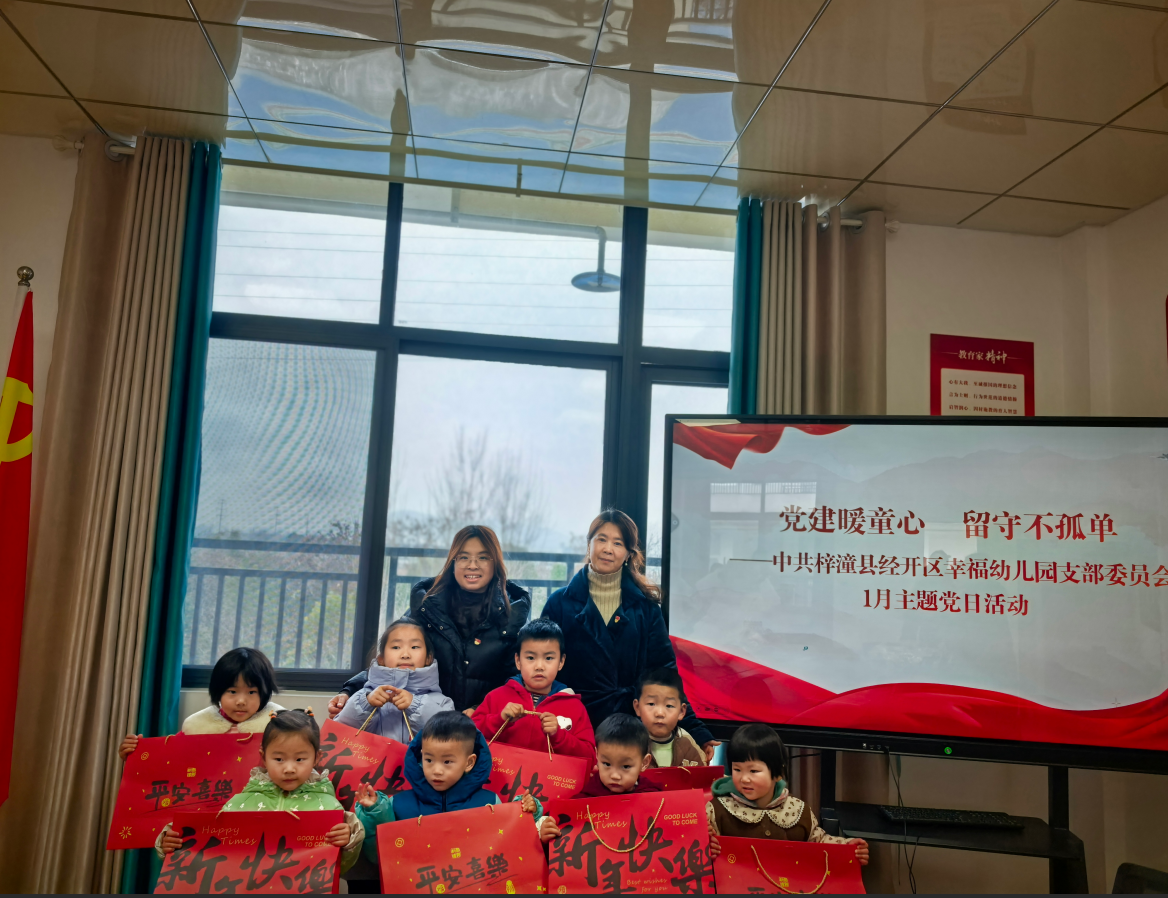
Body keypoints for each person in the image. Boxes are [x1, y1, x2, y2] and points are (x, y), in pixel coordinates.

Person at [541, 509, 717, 760]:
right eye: (601, 539)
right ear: (589, 545)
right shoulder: (559, 602)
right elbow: (540, 661)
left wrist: (695, 729)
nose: (608, 549)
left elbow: (663, 672)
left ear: (628, 554)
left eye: (618, 543)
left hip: (628, 726)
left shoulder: (645, 607)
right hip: (573, 725)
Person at [329, 526, 530, 717]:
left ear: (495, 564)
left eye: (483, 557)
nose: (472, 565)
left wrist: (481, 708)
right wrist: (350, 690)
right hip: (425, 723)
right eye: (464, 557)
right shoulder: (427, 606)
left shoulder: (512, 615)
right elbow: (393, 655)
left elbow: (516, 680)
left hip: (484, 722)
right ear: (452, 563)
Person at [156, 709, 364, 871]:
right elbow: (209, 853)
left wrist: (348, 842)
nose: (289, 768)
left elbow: (340, 867)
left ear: (317, 758)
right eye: (279, 759)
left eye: (300, 759)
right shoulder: (239, 804)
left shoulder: (329, 808)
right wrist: (173, 842)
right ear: (263, 757)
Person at [351, 711, 543, 863]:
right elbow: (379, 857)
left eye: (447, 762)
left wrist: (526, 811)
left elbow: (509, 847)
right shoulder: (398, 804)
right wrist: (374, 812)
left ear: (469, 763)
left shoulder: (489, 802)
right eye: (429, 760)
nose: (436, 771)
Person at [706, 724, 869, 865]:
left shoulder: (797, 811)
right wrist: (706, 843)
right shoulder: (718, 809)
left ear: (778, 774)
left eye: (753, 771)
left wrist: (848, 848)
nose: (744, 778)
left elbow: (819, 842)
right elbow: (702, 848)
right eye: (737, 769)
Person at [119, 646, 283, 759]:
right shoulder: (197, 726)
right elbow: (169, 759)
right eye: (232, 691)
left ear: (264, 693)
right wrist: (136, 754)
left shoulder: (279, 724)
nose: (241, 701)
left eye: (251, 692)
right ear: (218, 691)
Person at [471, 618, 595, 759]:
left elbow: (590, 756)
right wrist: (499, 719)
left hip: (549, 774)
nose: (539, 666)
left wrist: (559, 735)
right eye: (530, 658)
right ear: (518, 661)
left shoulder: (574, 707)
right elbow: (469, 736)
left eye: (549, 658)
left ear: (561, 662)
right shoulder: (497, 697)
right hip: (500, 773)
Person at [536, 713, 661, 843]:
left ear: (644, 763)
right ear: (597, 755)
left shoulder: (654, 799)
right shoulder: (583, 802)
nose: (615, 776)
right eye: (606, 764)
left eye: (625, 766)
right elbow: (559, 840)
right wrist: (546, 835)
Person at [334, 618, 452, 741]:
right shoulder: (362, 697)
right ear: (381, 659)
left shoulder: (442, 702)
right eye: (396, 647)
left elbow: (449, 738)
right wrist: (366, 704)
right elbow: (339, 733)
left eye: (414, 647)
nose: (405, 655)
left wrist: (416, 706)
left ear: (428, 658)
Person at [633, 668, 705, 767]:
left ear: (681, 712)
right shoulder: (628, 742)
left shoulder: (687, 744)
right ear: (637, 707)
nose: (660, 713)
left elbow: (702, 773)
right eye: (651, 704)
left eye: (669, 705)